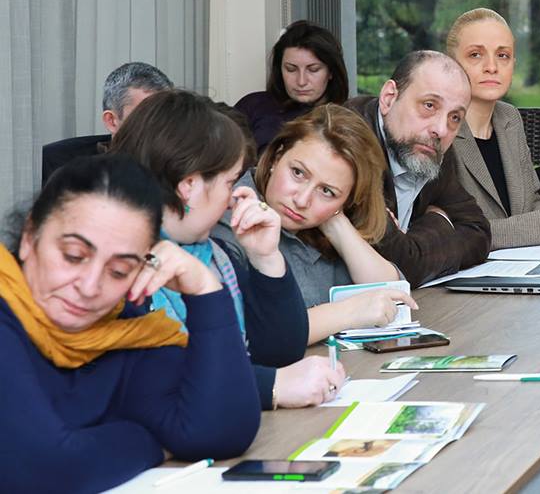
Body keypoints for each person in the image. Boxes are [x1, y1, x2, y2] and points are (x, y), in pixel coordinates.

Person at [0, 154, 259, 493]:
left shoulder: (123, 330)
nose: (90, 287)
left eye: (119, 270)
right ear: (29, 237)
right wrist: (154, 443)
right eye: (74, 256)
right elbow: (43, 469)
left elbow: (219, 431)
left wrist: (204, 290)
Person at [111, 90, 343, 410]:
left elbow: (279, 351)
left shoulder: (216, 255)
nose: (234, 197)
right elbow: (151, 379)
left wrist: (265, 258)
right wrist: (271, 386)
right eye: (230, 183)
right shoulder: (113, 267)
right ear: (188, 186)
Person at [212, 104, 417, 344]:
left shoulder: (324, 222)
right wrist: (348, 312)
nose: (302, 200)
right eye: (298, 173)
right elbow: (252, 335)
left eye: (327, 191)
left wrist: (336, 222)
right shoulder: (233, 211)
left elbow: (396, 298)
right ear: (277, 157)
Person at [445, 9, 540, 249]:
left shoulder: (509, 118)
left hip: (523, 262)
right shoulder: (439, 130)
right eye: (475, 55)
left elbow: (531, 203)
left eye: (503, 55)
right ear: (451, 64)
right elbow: (451, 233)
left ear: (513, 64)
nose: (492, 66)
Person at [346, 51, 491, 285]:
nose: (441, 130)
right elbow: (396, 263)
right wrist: (441, 222)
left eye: (455, 117)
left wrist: (413, 241)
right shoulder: (349, 144)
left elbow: (479, 233)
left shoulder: (428, 146)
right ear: (389, 98)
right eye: (429, 105)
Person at [41, 61, 174, 185]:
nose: (160, 125)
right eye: (147, 116)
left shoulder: (178, 161)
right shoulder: (62, 161)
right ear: (111, 121)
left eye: (166, 115)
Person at [236, 20, 350, 152]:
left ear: (331, 72)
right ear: (279, 69)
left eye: (313, 70)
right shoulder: (253, 106)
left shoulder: (348, 117)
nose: (301, 81)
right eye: (291, 69)